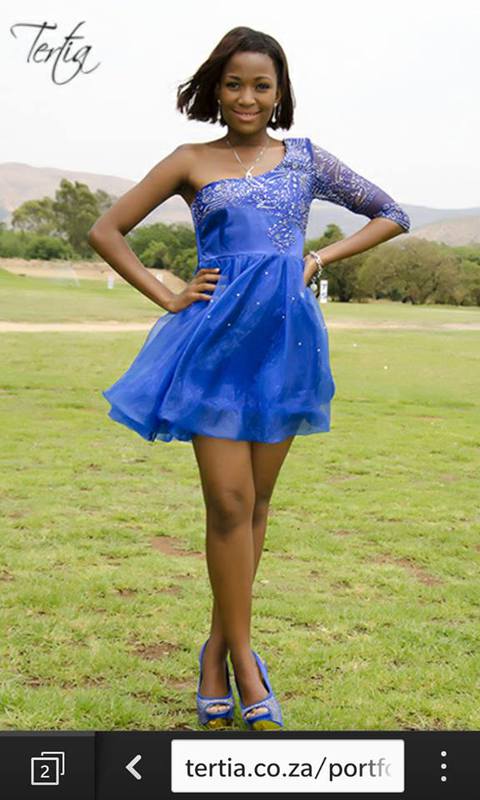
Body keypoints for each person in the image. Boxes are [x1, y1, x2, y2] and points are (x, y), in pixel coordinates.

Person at [87, 26, 410, 731]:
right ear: (216, 88)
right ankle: (243, 662)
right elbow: (106, 231)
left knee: (256, 506)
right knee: (229, 504)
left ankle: (216, 651)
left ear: (280, 91)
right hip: (214, 346)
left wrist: (317, 259)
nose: (247, 97)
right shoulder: (190, 160)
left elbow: (392, 214)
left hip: (285, 347)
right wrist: (167, 293)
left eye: (262, 85)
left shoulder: (306, 160)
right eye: (234, 84)